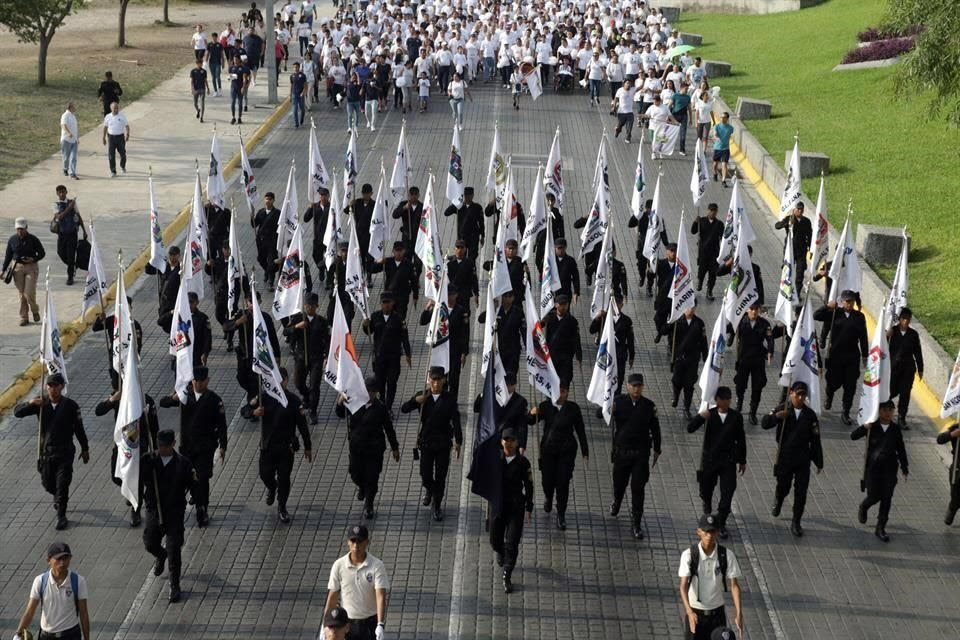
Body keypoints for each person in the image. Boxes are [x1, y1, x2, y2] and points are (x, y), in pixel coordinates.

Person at [14, 374, 88, 530]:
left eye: (55, 386)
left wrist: (85, 448)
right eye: (50, 386)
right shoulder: (41, 403)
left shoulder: (71, 406)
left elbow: (79, 429)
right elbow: (17, 412)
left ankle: (61, 515)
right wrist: (30, 403)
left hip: (65, 453)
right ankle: (57, 496)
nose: (52, 389)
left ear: (61, 387)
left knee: (63, 485)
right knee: (48, 483)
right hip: (47, 453)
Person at [157, 367, 227, 527]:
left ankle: (202, 509)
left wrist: (223, 445)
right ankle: (196, 497)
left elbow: (222, 425)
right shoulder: (185, 396)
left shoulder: (214, 400)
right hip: (187, 447)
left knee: (202, 478)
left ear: (207, 381)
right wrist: (174, 396)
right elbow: (163, 403)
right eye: (196, 381)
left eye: (202, 381)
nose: (199, 384)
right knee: (188, 478)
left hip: (205, 447)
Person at [761, 381, 824, 537]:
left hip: (803, 458)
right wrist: (776, 417)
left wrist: (819, 461)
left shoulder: (810, 415)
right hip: (785, 457)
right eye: (798, 394)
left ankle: (796, 521)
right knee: (784, 486)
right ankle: (779, 498)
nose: (801, 398)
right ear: (791, 393)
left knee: (801, 491)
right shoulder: (782, 409)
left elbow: (816, 440)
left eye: (803, 395)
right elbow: (764, 423)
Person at [141, 429, 197, 603]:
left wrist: (199, 502)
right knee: (150, 543)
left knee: (174, 551)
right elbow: (136, 477)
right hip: (154, 510)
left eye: (165, 446)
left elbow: (193, 484)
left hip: (174, 512)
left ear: (173, 444)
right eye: (159, 446)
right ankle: (160, 554)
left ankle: (175, 586)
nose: (162, 449)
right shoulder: (148, 460)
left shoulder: (183, 464)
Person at [401, 367, 463, 522]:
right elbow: (404, 409)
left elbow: (455, 420)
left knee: (441, 476)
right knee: (425, 474)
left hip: (443, 443)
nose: (435, 383)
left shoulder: (449, 399)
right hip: (427, 443)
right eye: (433, 380)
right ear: (429, 380)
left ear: (443, 380)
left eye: (438, 380)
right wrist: (416, 401)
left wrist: (458, 441)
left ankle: (437, 505)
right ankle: (429, 489)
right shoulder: (423, 396)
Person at [252, 367, 313, 524]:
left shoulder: (293, 401)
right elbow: (245, 411)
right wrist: (254, 412)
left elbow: (302, 425)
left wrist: (308, 446)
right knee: (265, 474)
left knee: (285, 478)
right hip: (268, 446)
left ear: (286, 381)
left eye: (281, 380)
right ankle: (272, 487)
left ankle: (282, 507)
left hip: (286, 447)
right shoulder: (264, 398)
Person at [336, 376, 400, 520]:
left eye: (372, 392)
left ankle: (369, 505)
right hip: (356, 448)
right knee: (355, 474)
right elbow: (340, 414)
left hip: (374, 449)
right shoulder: (353, 402)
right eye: (366, 391)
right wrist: (340, 402)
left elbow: (389, 429)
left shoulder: (381, 408)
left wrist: (394, 447)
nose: (368, 394)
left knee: (372, 477)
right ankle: (362, 487)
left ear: (376, 392)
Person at [687, 387, 747, 539]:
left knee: (728, 492)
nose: (727, 401)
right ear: (717, 400)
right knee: (706, 489)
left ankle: (720, 522)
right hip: (710, 460)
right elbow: (690, 428)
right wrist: (701, 417)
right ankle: (706, 503)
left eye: (729, 398)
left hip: (728, 461)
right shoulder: (710, 415)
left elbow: (741, 439)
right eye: (724, 398)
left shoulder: (736, 417)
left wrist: (742, 460)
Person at [94, 387, 159, 527]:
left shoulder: (146, 400)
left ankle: (136, 510)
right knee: (115, 476)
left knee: (137, 479)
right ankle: (129, 490)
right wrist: (112, 400)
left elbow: (154, 426)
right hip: (122, 445)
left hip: (139, 447)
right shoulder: (118, 397)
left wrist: (156, 447)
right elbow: (98, 411)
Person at [528, 380, 586, 530]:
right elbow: (530, 422)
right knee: (547, 481)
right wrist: (531, 413)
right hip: (548, 451)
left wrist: (585, 451)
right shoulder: (546, 407)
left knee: (563, 482)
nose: (561, 394)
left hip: (566, 452)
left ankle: (561, 513)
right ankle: (548, 497)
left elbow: (580, 429)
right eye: (558, 390)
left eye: (564, 391)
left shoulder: (573, 408)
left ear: (567, 393)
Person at [609, 373, 661, 539]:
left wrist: (657, 448)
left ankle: (636, 523)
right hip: (622, 451)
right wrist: (610, 409)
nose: (637, 389)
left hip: (640, 453)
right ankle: (617, 501)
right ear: (627, 386)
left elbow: (655, 428)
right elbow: (599, 414)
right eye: (634, 386)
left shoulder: (648, 406)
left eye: (639, 386)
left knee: (638, 488)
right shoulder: (618, 401)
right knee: (619, 483)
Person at [678, 513, 744, 640]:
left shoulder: (726, 555)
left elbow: (734, 586)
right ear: (699, 532)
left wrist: (739, 613)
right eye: (706, 531)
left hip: (717, 614)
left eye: (713, 531)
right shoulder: (688, 555)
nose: (709, 535)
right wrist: (689, 612)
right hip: (695, 614)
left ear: (718, 532)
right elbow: (683, 586)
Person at [852, 400, 908, 542]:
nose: (888, 413)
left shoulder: (895, 429)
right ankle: (864, 506)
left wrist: (904, 467)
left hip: (889, 470)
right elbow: (853, 436)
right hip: (873, 470)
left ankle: (881, 527)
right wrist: (864, 427)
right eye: (885, 410)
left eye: (891, 410)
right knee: (874, 496)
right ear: (879, 411)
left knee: (887, 498)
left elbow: (901, 449)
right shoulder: (872, 427)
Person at [324, 525, 390, 640]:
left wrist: (380, 624)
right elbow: (333, 597)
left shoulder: (377, 566)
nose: (356, 545)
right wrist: (324, 626)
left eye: (360, 541)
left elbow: (380, 596)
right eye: (352, 541)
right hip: (346, 624)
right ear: (347, 542)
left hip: (370, 623)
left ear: (367, 542)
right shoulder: (339, 565)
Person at [489, 427, 534, 594]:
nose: (508, 443)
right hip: (498, 506)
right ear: (501, 442)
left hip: (515, 507)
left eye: (512, 440)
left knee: (513, 542)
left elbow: (529, 486)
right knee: (495, 540)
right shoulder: (495, 459)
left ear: (517, 442)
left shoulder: (523, 463)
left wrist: (529, 506)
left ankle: (507, 574)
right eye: (505, 439)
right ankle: (500, 551)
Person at [15, 542, 91, 640]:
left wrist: (87, 638)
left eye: (65, 558)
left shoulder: (79, 581)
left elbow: (83, 614)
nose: (62, 562)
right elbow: (29, 612)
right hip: (46, 636)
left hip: (71, 635)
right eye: (59, 559)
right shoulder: (40, 581)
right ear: (48, 560)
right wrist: (18, 633)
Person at [814, 290, 868, 425]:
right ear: (842, 301)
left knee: (850, 386)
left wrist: (865, 355)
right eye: (848, 301)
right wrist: (828, 306)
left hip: (852, 357)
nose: (850, 304)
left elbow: (863, 337)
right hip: (835, 356)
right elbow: (817, 315)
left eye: (852, 302)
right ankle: (829, 395)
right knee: (833, 382)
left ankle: (846, 412)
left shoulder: (859, 317)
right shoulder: (835, 313)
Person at [284, 292, 329, 424]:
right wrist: (297, 327)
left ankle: (313, 411)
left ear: (316, 306)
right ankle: (307, 397)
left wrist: (326, 355)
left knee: (315, 385)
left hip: (316, 358)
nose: (309, 308)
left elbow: (327, 340)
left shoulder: (322, 321)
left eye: (311, 306)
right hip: (301, 356)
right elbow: (285, 332)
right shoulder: (298, 318)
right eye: (307, 305)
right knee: (298, 382)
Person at [363, 291, 412, 410]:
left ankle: (388, 406)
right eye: (384, 303)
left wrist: (408, 354)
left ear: (393, 303)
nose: (386, 305)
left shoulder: (399, 318)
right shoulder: (375, 316)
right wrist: (365, 325)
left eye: (388, 302)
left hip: (393, 357)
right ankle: (382, 403)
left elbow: (404, 337)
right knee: (380, 382)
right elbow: (369, 332)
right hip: (379, 357)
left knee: (392, 382)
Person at [730, 302, 774, 424]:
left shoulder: (764, 324)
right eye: (752, 309)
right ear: (747, 310)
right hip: (743, 359)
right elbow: (729, 328)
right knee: (740, 385)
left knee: (757, 387)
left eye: (757, 309)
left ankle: (752, 413)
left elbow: (770, 339)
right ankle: (738, 407)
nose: (754, 312)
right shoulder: (740, 321)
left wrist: (770, 351)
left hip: (758, 360)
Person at [888, 307, 923, 428]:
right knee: (890, 392)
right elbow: (882, 348)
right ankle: (882, 412)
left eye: (908, 319)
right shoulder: (892, 332)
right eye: (903, 318)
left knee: (905, 393)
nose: (906, 321)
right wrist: (886, 335)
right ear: (899, 319)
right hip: (893, 369)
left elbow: (918, 352)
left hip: (908, 369)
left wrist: (920, 368)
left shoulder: (913, 334)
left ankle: (902, 417)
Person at [672, 305, 708, 418]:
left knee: (689, 384)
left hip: (692, 359)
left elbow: (703, 341)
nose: (690, 310)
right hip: (679, 358)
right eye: (688, 307)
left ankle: (687, 408)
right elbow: (665, 330)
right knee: (676, 380)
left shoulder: (699, 323)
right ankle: (676, 395)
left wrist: (706, 357)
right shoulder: (678, 321)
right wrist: (670, 321)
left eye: (692, 308)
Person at [544, 294, 582, 385]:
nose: (564, 307)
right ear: (556, 305)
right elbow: (537, 327)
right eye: (561, 304)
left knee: (564, 382)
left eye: (566, 304)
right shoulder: (549, 318)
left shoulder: (572, 321)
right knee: (551, 383)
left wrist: (579, 357)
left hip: (566, 356)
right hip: (552, 356)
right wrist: (542, 321)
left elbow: (576, 339)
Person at [774, 201, 812, 290]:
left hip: (801, 250)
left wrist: (811, 248)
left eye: (801, 209)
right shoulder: (789, 219)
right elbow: (777, 226)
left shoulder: (806, 221)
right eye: (798, 209)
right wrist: (788, 223)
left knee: (800, 271)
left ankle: (797, 293)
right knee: (787, 270)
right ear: (794, 209)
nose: (800, 211)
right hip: (790, 249)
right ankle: (785, 290)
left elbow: (810, 235)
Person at [690, 203, 723, 300]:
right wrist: (695, 222)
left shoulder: (719, 224)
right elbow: (693, 231)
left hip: (714, 253)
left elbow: (723, 237)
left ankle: (709, 291)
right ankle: (700, 282)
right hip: (703, 252)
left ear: (716, 212)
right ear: (707, 210)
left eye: (714, 210)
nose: (712, 212)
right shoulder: (702, 221)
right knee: (702, 271)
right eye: (711, 210)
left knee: (713, 274)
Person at [51, 185, 82, 285]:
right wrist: (69, 207)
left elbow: (78, 216)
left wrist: (84, 231)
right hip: (62, 234)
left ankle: (70, 277)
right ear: (57, 193)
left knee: (71, 254)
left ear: (66, 192)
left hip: (72, 233)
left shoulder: (72, 203)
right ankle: (72, 265)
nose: (61, 194)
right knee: (60, 252)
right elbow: (59, 217)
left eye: (63, 192)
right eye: (59, 192)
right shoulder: (55, 205)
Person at [252, 191, 281, 286]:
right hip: (261, 241)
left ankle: (271, 281)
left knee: (272, 261)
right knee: (261, 259)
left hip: (272, 241)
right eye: (266, 199)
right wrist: (251, 216)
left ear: (273, 200)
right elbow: (254, 225)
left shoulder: (277, 213)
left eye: (270, 199)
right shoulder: (261, 212)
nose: (267, 201)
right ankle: (267, 271)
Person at [936, 422, 960, 525]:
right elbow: (940, 439)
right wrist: (952, 434)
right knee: (956, 496)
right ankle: (952, 508)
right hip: (957, 470)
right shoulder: (957, 428)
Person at [101, 102, 129, 178]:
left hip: (120, 137)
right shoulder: (107, 117)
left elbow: (127, 126)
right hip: (111, 138)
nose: (116, 109)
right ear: (111, 109)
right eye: (114, 108)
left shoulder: (122, 116)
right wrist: (103, 137)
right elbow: (105, 127)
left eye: (117, 108)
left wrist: (127, 134)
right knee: (111, 155)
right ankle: (113, 171)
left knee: (123, 154)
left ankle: (123, 166)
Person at [712, 112, 734, 186]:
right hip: (717, 148)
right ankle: (715, 173)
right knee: (715, 164)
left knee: (724, 164)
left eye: (724, 117)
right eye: (721, 117)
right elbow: (715, 134)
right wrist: (716, 137)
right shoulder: (717, 126)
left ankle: (723, 180)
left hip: (725, 149)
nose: (722, 118)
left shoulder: (731, 128)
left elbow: (730, 134)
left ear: (727, 119)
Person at [228, 54, 251, 124]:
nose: (235, 61)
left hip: (240, 88)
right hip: (233, 87)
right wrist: (232, 77)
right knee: (232, 102)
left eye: (236, 60)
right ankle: (233, 117)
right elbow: (230, 77)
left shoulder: (243, 68)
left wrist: (244, 87)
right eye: (234, 59)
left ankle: (239, 117)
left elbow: (245, 79)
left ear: (239, 60)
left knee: (240, 103)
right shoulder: (231, 67)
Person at [612, 78, 636, 143]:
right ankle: (618, 130)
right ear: (624, 84)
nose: (629, 85)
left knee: (630, 124)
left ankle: (628, 137)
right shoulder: (620, 90)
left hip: (630, 112)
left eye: (630, 84)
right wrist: (614, 107)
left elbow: (640, 87)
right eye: (627, 83)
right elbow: (616, 99)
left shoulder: (632, 90)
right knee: (620, 125)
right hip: (621, 112)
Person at [60, 102, 79, 179]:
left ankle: (72, 173)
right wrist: (68, 133)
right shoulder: (65, 115)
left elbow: (75, 128)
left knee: (73, 157)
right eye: (74, 107)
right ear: (70, 107)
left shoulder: (73, 116)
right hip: (66, 140)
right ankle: (65, 169)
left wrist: (77, 138)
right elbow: (63, 125)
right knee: (66, 157)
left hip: (74, 140)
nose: (75, 108)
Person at [190, 58, 210, 122]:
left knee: (202, 103)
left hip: (202, 89)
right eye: (198, 63)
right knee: (195, 103)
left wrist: (208, 88)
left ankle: (201, 117)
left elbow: (205, 80)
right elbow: (192, 81)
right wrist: (192, 89)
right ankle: (198, 110)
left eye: (201, 63)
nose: (200, 65)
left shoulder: (204, 71)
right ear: (196, 64)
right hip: (196, 89)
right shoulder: (193, 71)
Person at [290, 61, 307, 127]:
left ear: (299, 67)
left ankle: (302, 118)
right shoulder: (292, 76)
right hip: (295, 95)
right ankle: (296, 124)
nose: (295, 68)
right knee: (295, 110)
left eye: (296, 67)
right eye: (294, 67)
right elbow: (291, 86)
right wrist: (290, 95)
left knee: (302, 108)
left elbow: (305, 85)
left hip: (301, 95)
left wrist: (303, 92)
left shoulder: (302, 75)